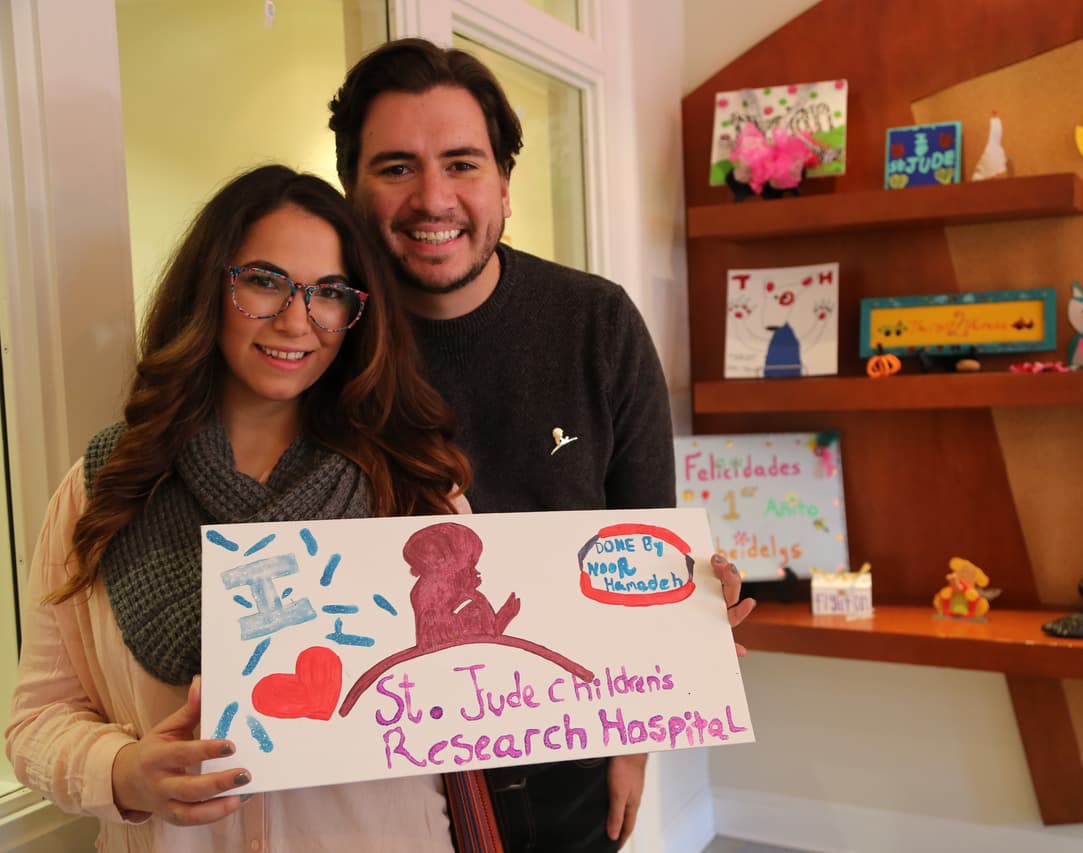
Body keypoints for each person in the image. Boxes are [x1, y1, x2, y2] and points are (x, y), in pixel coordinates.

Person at [328, 38, 756, 852]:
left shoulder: (598, 324)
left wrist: (636, 738)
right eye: (396, 167)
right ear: (352, 189)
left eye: (462, 163)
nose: (432, 197)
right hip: (378, 773)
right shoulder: (325, 339)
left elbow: (644, 538)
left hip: (571, 755)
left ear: (504, 184)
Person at [5, 164, 473, 852]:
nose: (297, 319)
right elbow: (36, 720)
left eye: (329, 293)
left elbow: (476, 685)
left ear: (356, 314)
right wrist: (123, 772)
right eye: (263, 281)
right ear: (210, 289)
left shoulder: (414, 491)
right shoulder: (106, 486)